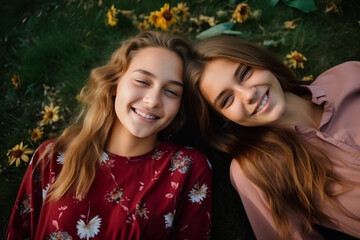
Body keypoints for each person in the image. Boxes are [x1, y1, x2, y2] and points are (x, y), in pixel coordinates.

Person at [6, 31, 212, 240]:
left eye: (171, 92)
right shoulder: (52, 156)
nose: (153, 101)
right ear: (114, 84)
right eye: (142, 81)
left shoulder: (187, 168)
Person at [185, 34, 360, 240]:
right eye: (227, 99)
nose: (248, 94)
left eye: (245, 73)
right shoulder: (255, 170)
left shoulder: (349, 76)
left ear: (260, 61)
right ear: (223, 119)